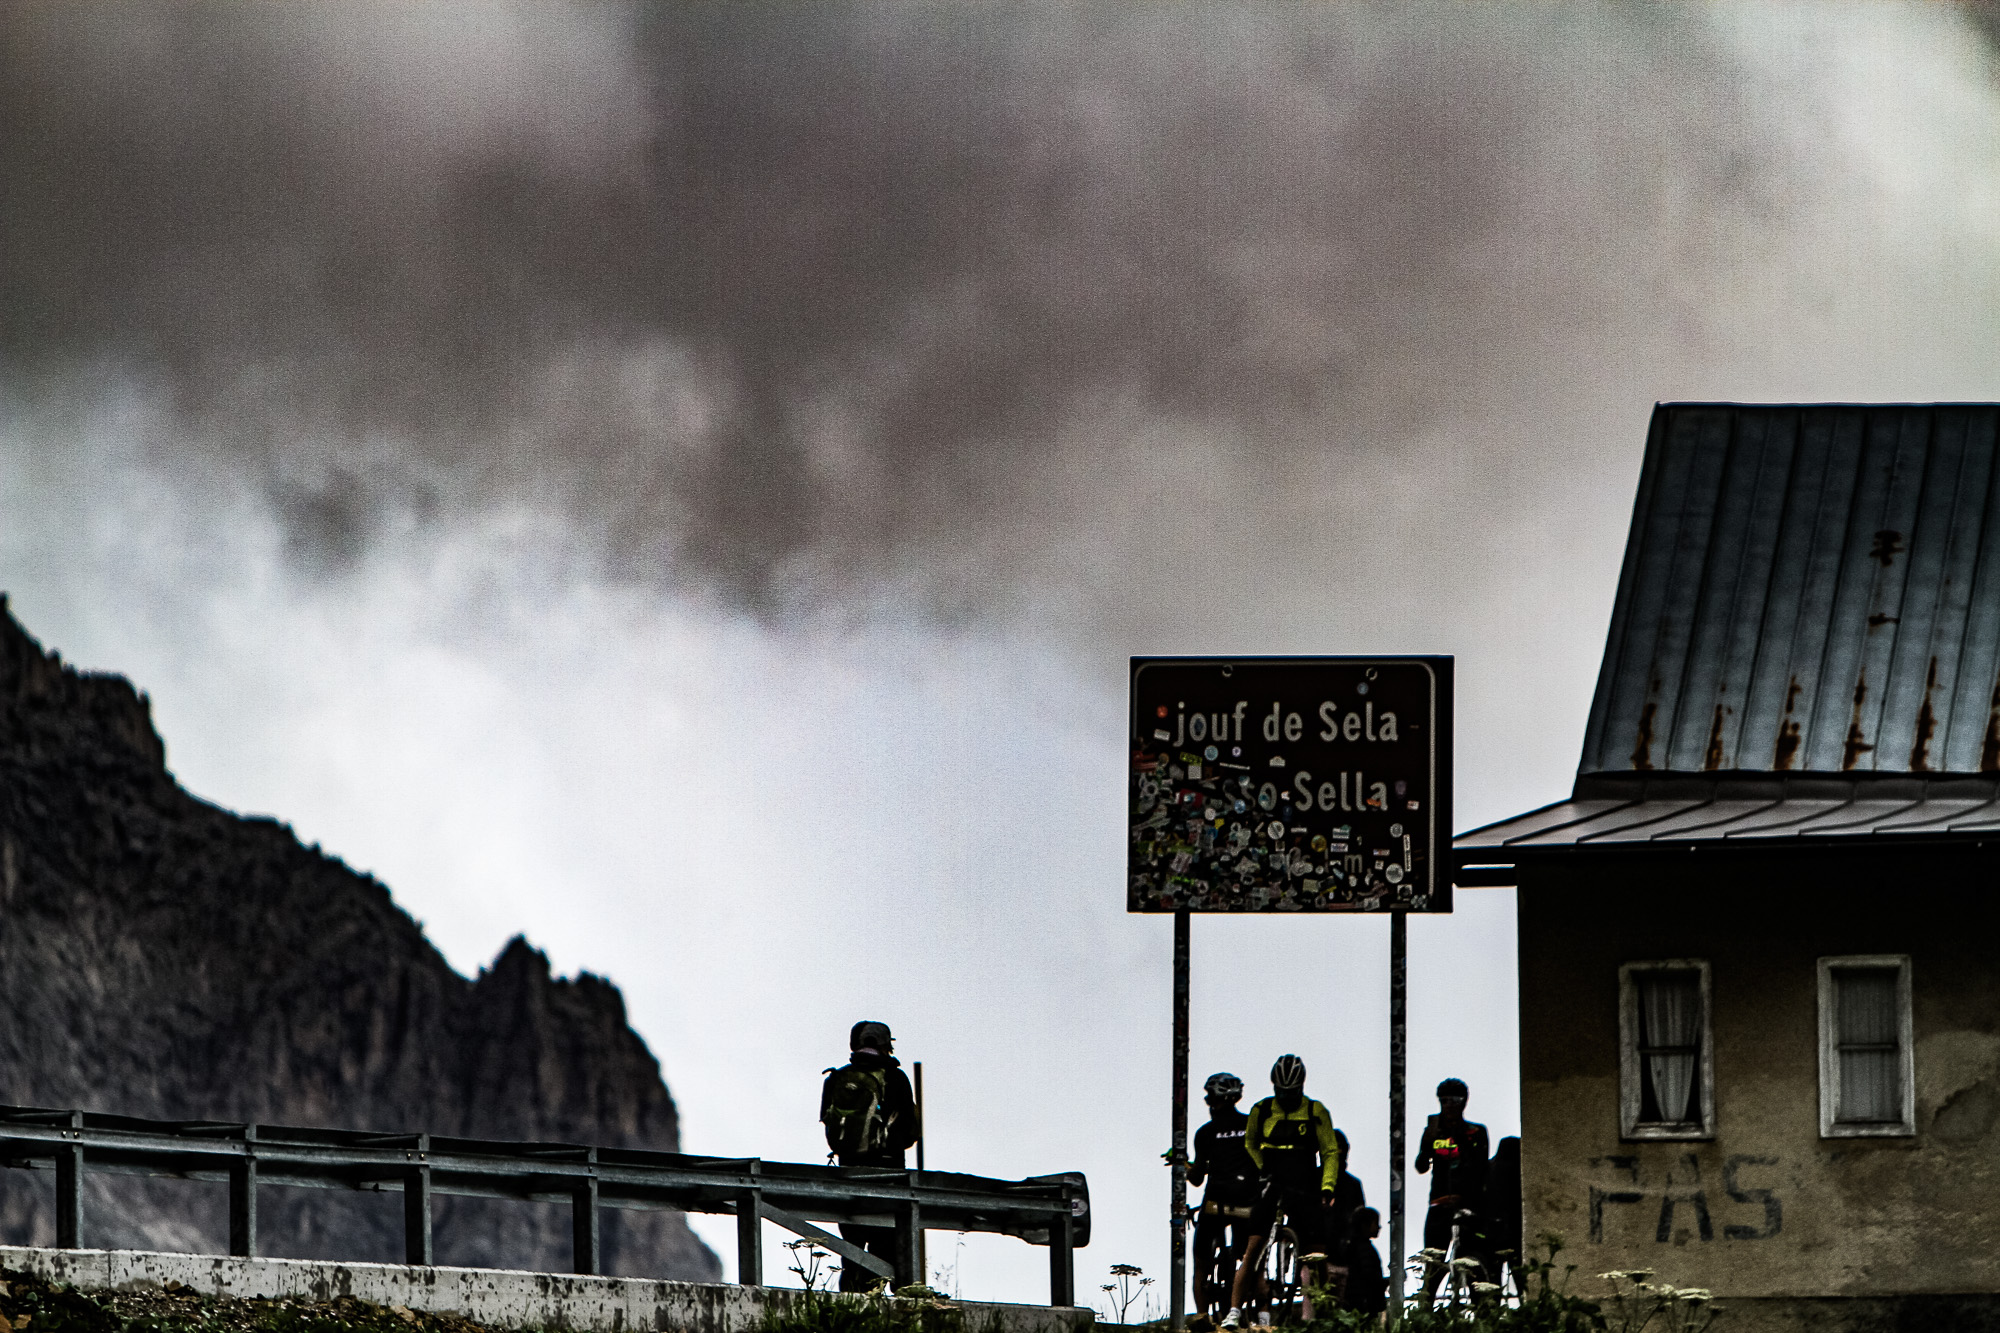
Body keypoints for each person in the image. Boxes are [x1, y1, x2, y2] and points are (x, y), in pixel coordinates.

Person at [1221, 1055, 1342, 1330]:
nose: (1286, 1097)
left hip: (1305, 1182)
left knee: (1316, 1252)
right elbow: (1250, 1143)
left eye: (1292, 1092)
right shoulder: (1261, 1110)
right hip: (1272, 1180)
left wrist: (1327, 1186)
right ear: (1274, 1086)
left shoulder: (1315, 1111)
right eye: (1281, 1091)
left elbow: (1330, 1152)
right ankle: (1234, 1310)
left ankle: (1323, 1309)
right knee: (1253, 1248)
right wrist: (1262, 1169)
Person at [820, 1020, 920, 1291]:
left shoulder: (838, 1078)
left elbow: (829, 1130)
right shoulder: (896, 1079)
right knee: (887, 1249)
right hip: (888, 1177)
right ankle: (886, 1306)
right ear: (886, 1045)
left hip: (848, 1176)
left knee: (851, 1248)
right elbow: (910, 1133)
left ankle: (851, 1304)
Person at [1414, 1077, 1490, 1305]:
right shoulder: (1434, 1131)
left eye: (1454, 1100)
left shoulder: (1476, 1132)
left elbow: (1480, 1165)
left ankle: (1482, 1317)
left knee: (1472, 1265)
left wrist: (1457, 1134)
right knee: (1433, 1268)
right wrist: (1427, 1142)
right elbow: (1420, 1166)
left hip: (1468, 1206)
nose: (1448, 1105)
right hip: (1438, 1205)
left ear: (1464, 1102)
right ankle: (1425, 1316)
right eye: (1444, 1100)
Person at [1188, 1072, 1257, 1317]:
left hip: (1215, 1202)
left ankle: (1201, 1315)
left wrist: (1186, 1167)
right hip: (1246, 1202)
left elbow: (1196, 1179)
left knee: (1200, 1263)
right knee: (1250, 1258)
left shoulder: (1205, 1133)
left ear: (1214, 1101)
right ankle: (1262, 1308)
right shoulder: (1251, 1124)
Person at [1340, 1207, 1387, 1320]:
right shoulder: (1365, 1249)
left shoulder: (1353, 1246)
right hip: (1366, 1303)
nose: (1379, 1227)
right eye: (1375, 1223)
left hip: (1356, 1302)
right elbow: (1369, 1276)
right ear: (1365, 1226)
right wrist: (1386, 1282)